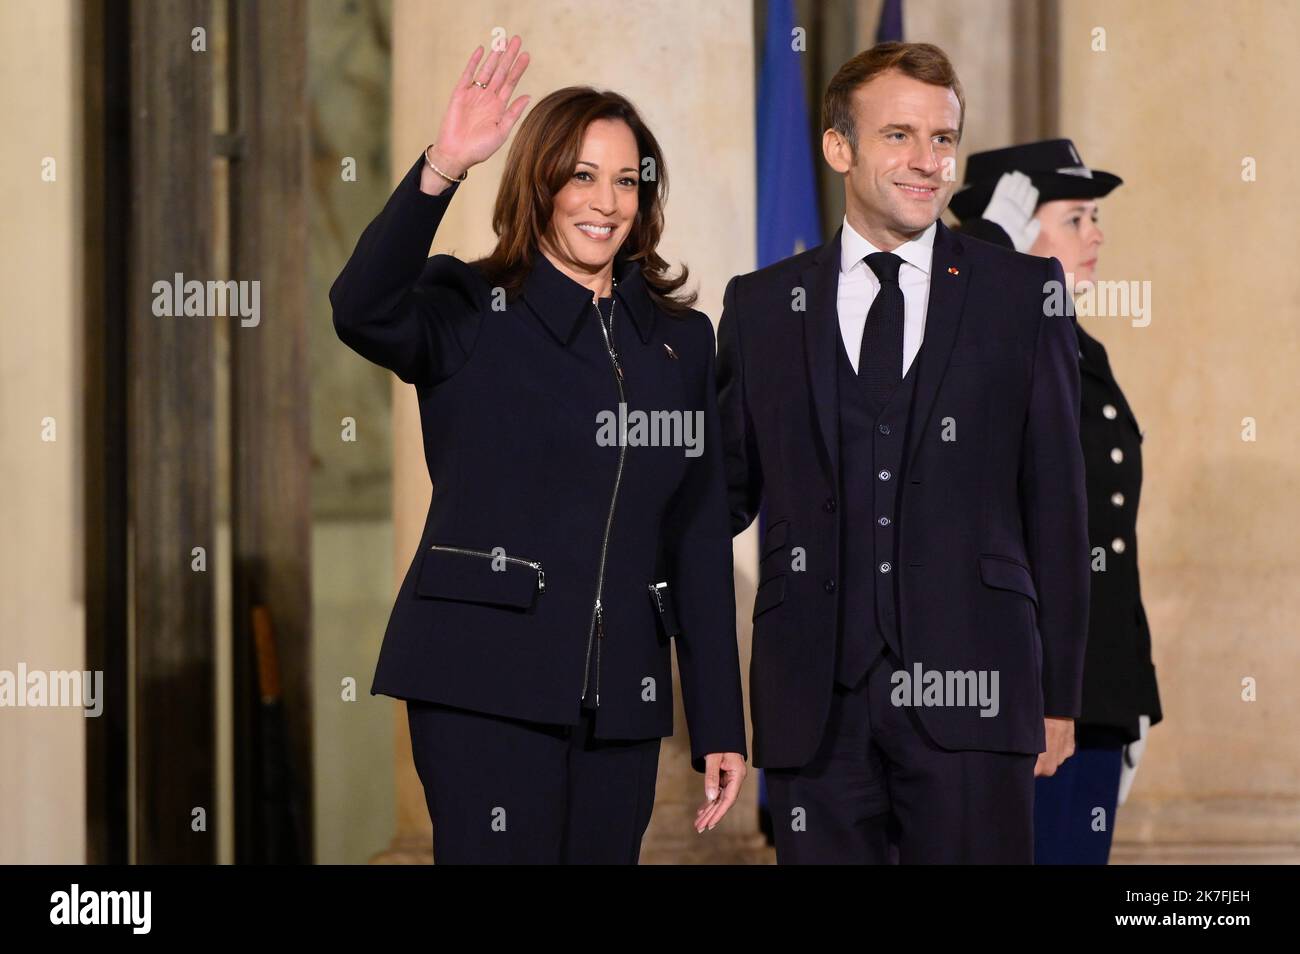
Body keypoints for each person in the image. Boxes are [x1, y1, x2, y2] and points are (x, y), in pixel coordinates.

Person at [330, 36, 747, 864]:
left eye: (626, 179)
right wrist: (442, 166)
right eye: (582, 175)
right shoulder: (468, 307)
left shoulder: (681, 341)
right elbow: (359, 308)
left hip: (621, 702)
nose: (606, 201)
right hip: (481, 686)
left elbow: (697, 536)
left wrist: (720, 725)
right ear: (541, 184)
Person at [717, 41, 1089, 864]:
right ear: (838, 147)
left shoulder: (1024, 296)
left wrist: (1059, 695)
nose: (929, 162)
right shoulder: (761, 308)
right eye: (899, 136)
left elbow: (1059, 506)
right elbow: (718, 498)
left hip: (979, 691)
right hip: (814, 702)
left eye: (943, 138)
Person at [950, 139, 1163, 864]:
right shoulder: (984, 344)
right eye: (1075, 218)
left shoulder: (1082, 350)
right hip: (1016, 686)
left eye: (1096, 218)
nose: (1097, 235)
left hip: (1092, 684)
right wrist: (983, 253)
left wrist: (1124, 688)